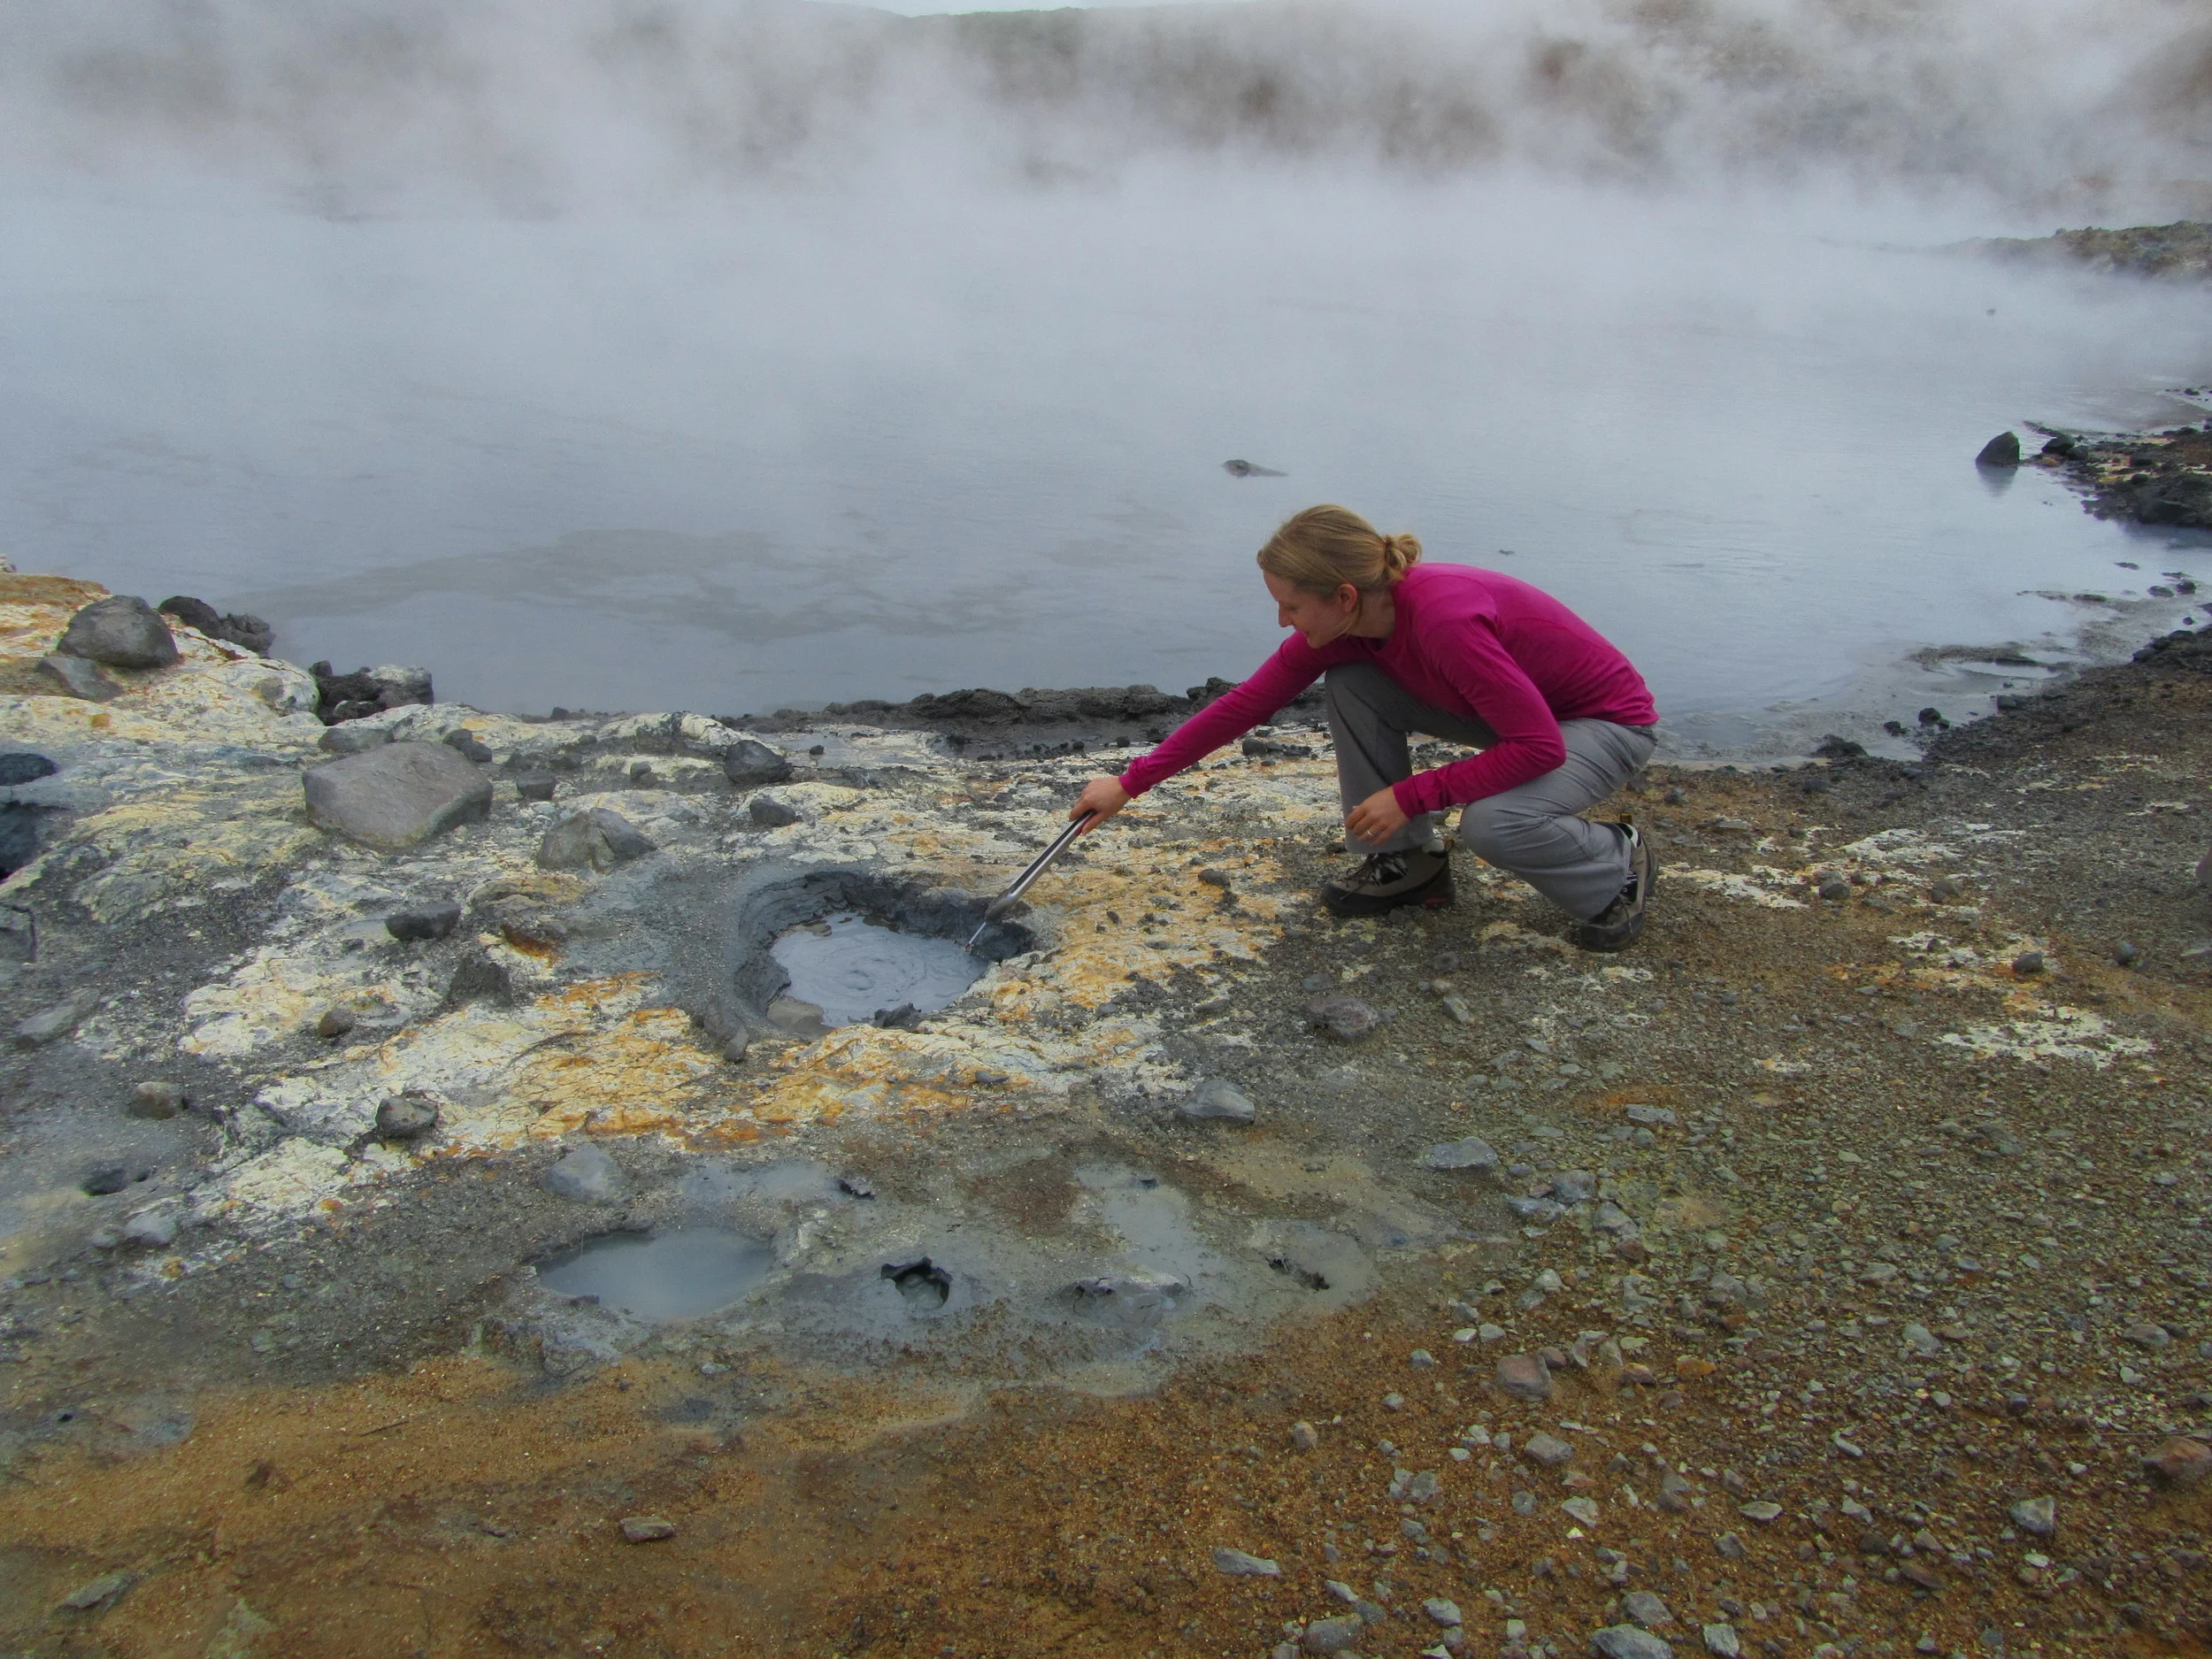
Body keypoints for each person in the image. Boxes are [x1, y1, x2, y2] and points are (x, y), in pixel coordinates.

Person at [1069, 504, 1661, 950]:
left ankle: (1615, 864)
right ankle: (1409, 865)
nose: (1283, 621)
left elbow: (1537, 746)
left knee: (1495, 825)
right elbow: (1246, 704)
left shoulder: (1444, 621)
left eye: (1292, 606)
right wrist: (1130, 783)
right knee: (1352, 683)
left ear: (1345, 595)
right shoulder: (1348, 629)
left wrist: (1410, 794)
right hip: (1518, 716)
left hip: (1602, 723)